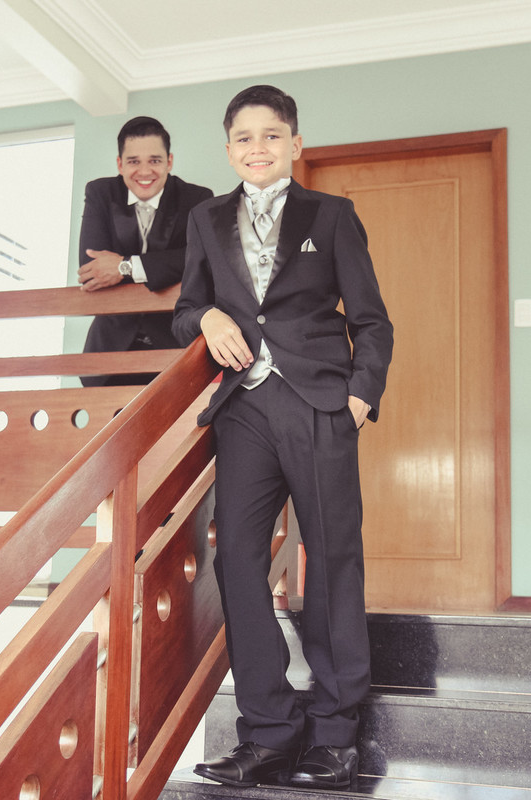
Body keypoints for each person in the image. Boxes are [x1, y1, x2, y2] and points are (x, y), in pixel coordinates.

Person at [172, 85, 394, 790]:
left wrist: (359, 397)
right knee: (237, 561)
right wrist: (208, 318)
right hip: (244, 410)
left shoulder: (332, 216)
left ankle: (335, 734)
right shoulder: (206, 219)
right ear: (227, 149)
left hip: (321, 404)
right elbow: (184, 311)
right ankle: (268, 733)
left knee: (331, 560)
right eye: (244, 137)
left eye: (272, 135)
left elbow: (372, 320)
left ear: (295, 144)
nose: (257, 148)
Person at [77, 116, 213, 386]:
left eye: (154, 160)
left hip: (173, 345)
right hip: (111, 349)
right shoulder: (100, 193)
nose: (144, 171)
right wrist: (162, 267)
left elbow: (198, 259)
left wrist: (124, 266)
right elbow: (91, 268)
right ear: (120, 164)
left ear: (169, 162)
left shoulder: (197, 199)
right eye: (133, 161)